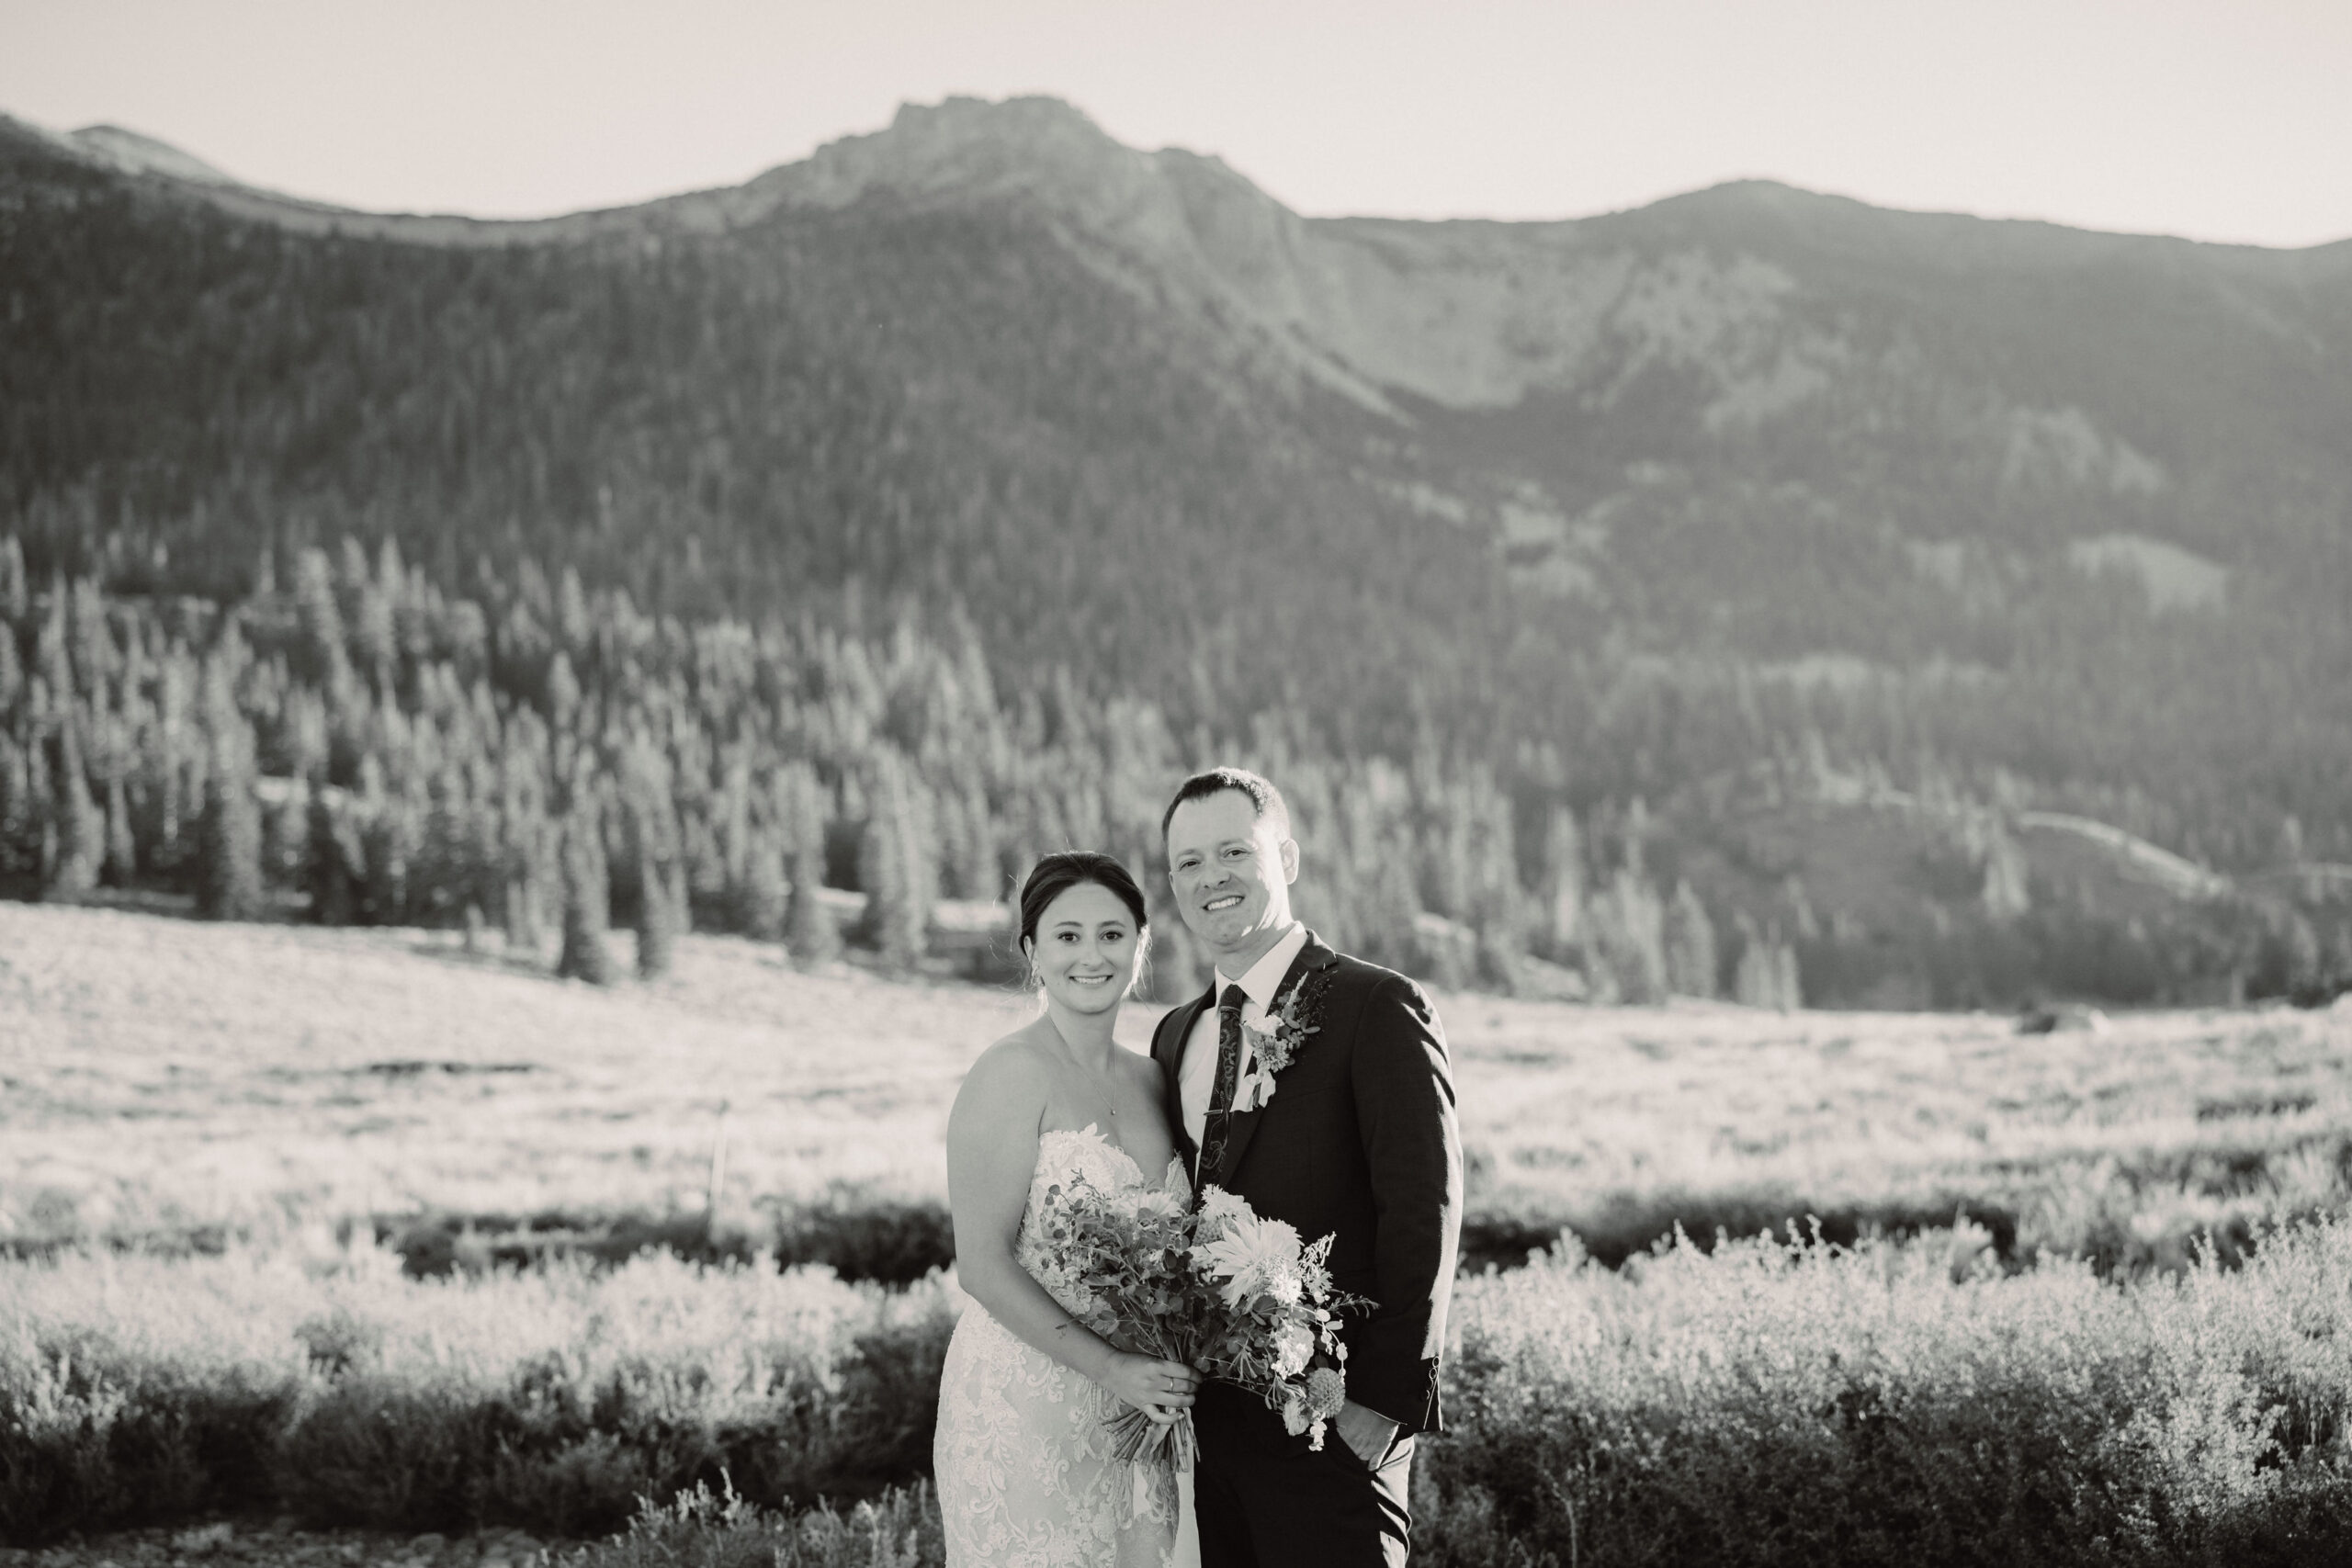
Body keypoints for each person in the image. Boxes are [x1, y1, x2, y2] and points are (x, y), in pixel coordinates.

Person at [1150, 768, 1463, 1568]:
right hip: (1210, 1442)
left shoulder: (1374, 1006)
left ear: (1284, 857)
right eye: (1188, 862)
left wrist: (1379, 1410)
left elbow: (1424, 1210)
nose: (1209, 877)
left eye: (1232, 851)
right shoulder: (1176, 1034)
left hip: (1334, 1426)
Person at [935, 851, 1203, 1568]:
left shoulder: (1154, 1078)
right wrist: (1109, 1364)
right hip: (1024, 1402)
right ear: (1032, 950)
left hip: (1140, 1410)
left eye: (1113, 934)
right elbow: (983, 1265)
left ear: (1141, 945)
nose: (1093, 955)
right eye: (1068, 935)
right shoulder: (1009, 1072)